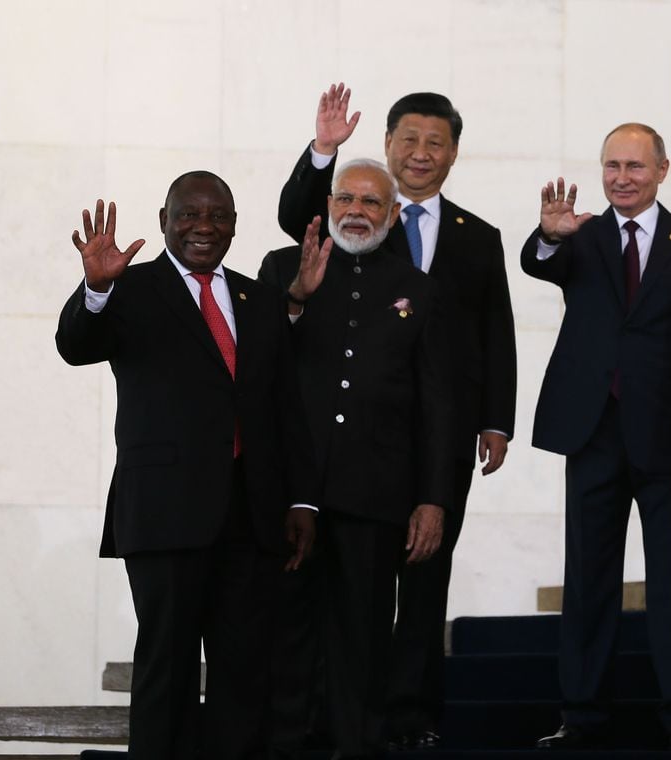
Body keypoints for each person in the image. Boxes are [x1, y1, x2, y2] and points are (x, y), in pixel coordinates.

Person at [274, 85, 517, 751]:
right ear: (385, 146)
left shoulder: (476, 237)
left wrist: (496, 419)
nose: (420, 152)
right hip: (332, 453)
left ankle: (411, 713)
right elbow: (296, 214)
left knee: (421, 574)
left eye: (435, 142)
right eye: (407, 139)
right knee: (332, 596)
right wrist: (323, 149)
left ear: (454, 154)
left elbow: (496, 329)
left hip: (432, 436)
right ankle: (322, 718)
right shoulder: (319, 238)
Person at [55, 172, 317, 759]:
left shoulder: (259, 299)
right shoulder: (130, 287)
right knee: (166, 669)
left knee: (244, 673)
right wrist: (95, 288)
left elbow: (284, 408)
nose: (204, 226)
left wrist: (301, 500)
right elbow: (75, 345)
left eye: (218, 215)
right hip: (164, 514)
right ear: (164, 221)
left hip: (250, 518)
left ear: (233, 224)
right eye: (189, 214)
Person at [523, 123, 671, 751]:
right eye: (612, 166)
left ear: (663, 169)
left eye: (635, 166)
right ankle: (581, 715)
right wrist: (549, 236)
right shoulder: (579, 235)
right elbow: (537, 262)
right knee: (588, 579)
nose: (622, 178)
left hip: (667, 434)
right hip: (593, 431)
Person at [259, 158, 455, 759]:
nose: (356, 211)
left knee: (365, 636)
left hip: (377, 494)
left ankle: (357, 746)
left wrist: (432, 497)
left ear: (394, 214)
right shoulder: (279, 269)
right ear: (328, 204)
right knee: (286, 633)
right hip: (291, 491)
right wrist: (295, 300)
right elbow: (256, 367)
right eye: (346, 198)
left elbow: (436, 407)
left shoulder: (418, 290)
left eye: (372, 203)